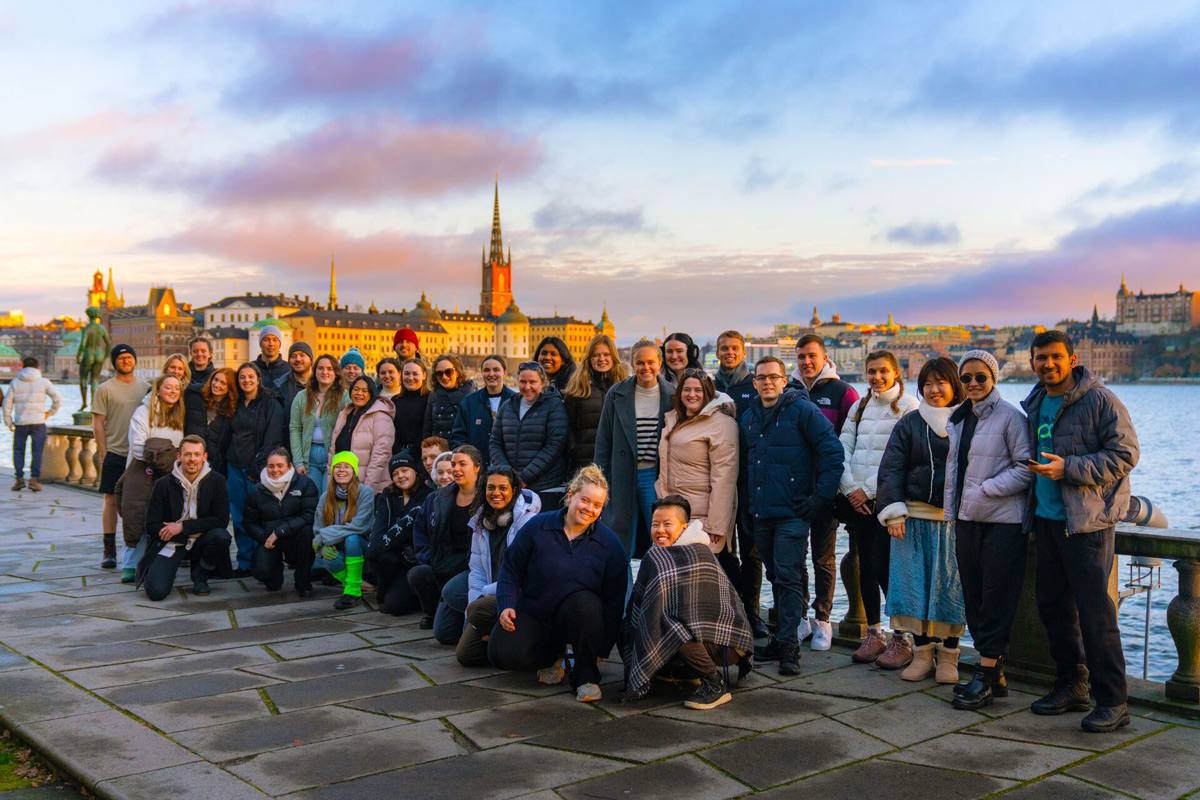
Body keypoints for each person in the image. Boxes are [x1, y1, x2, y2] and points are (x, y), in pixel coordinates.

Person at [1024, 331, 1139, 733]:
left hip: (1087, 524)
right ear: (1032, 362)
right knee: (1052, 608)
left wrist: (1067, 468)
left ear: (1073, 359)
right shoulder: (1036, 400)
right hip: (1047, 519)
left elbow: (1126, 455)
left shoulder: (1100, 399)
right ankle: (1072, 685)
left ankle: (1114, 701)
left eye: (1055, 357)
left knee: (1096, 616)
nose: (1047, 364)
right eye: (1040, 358)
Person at [489, 465, 628, 702]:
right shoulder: (537, 527)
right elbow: (511, 569)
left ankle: (586, 675)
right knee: (502, 654)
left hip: (581, 617)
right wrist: (506, 604)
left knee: (586, 604)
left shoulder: (610, 545)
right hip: (536, 612)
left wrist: (601, 649)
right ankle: (551, 656)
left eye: (597, 505)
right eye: (585, 500)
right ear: (571, 496)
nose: (590, 509)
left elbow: (615, 601)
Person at [742, 356, 844, 675]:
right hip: (761, 512)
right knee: (776, 574)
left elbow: (832, 452)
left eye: (774, 377)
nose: (767, 382)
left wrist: (819, 498)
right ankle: (782, 636)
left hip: (793, 511)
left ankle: (789, 647)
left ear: (784, 381)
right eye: (761, 378)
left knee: (787, 575)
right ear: (755, 383)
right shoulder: (749, 416)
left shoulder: (803, 410)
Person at [945, 349, 1033, 711]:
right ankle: (993, 673)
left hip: (1003, 522)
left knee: (997, 597)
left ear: (994, 378)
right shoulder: (958, 418)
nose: (974, 384)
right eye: (966, 379)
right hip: (966, 520)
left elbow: (1028, 466)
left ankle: (983, 674)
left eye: (981, 377)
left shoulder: (1012, 417)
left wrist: (987, 490)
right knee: (974, 596)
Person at [876, 357, 966, 683]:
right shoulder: (910, 423)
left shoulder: (968, 421)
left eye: (941, 382)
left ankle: (949, 658)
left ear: (954, 385)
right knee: (914, 587)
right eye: (927, 383)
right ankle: (923, 653)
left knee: (950, 590)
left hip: (955, 521)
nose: (933, 389)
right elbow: (890, 469)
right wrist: (893, 512)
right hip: (914, 518)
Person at [621, 495, 753, 710]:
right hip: (700, 636)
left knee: (670, 625)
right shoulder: (655, 554)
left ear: (684, 527)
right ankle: (685, 669)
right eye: (655, 524)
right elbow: (641, 604)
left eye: (668, 524)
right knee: (647, 619)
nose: (660, 530)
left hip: (726, 642)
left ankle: (714, 682)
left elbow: (697, 613)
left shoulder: (698, 552)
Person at [840, 349, 920, 666]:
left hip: (888, 502)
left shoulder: (910, 406)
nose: (877, 377)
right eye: (872, 371)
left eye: (883, 371)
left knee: (891, 569)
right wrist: (850, 489)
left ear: (896, 372)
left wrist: (870, 491)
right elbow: (843, 447)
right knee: (866, 567)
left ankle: (902, 638)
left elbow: (903, 458)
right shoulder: (860, 406)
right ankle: (874, 632)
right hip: (857, 501)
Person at [788, 333, 861, 650]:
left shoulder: (843, 392)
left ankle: (823, 621)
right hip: (793, 488)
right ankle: (800, 618)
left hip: (826, 490)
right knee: (794, 558)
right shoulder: (787, 390)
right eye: (801, 356)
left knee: (823, 558)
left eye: (812, 356)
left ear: (824, 357)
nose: (806, 362)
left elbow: (852, 441)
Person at [594, 340, 673, 562]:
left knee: (662, 539)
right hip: (622, 475)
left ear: (660, 363)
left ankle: (658, 593)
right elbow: (604, 441)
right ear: (632, 364)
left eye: (650, 362)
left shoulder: (673, 395)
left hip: (655, 477)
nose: (645, 368)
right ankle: (622, 594)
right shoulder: (616, 393)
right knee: (619, 543)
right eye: (640, 363)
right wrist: (600, 480)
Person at [455, 467, 542, 666]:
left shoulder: (528, 522)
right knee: (465, 656)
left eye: (503, 488)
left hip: (518, 596)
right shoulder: (480, 522)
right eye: (490, 487)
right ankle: (500, 638)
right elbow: (476, 569)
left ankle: (510, 640)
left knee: (479, 611)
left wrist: (484, 596)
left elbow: (524, 574)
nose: (496, 493)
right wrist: (474, 602)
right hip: (489, 597)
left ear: (514, 490)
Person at [711, 329, 765, 637]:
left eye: (734, 348)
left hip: (748, 479)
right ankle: (725, 609)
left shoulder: (753, 385)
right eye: (723, 348)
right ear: (716, 352)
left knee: (751, 550)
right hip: (718, 479)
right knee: (719, 547)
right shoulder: (710, 386)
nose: (729, 352)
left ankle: (752, 612)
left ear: (742, 352)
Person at [656, 369, 738, 569]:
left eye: (698, 390)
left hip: (703, 520)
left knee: (700, 579)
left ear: (707, 393)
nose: (692, 395)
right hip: (676, 515)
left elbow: (724, 478)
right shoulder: (674, 418)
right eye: (686, 389)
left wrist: (716, 525)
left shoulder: (721, 424)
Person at [137, 435, 232, 600]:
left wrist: (182, 527)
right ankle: (159, 569)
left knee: (221, 536)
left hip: (201, 540)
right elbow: (151, 525)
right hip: (172, 542)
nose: (192, 459)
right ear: (179, 456)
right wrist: (184, 533)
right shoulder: (163, 484)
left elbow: (221, 520)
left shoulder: (217, 481)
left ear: (204, 457)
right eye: (187, 454)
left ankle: (201, 573)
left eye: (197, 454)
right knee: (156, 592)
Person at [409, 445, 483, 637]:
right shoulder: (440, 497)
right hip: (444, 564)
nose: (456, 469)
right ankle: (439, 611)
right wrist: (431, 559)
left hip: (472, 568)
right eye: (453, 464)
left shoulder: (486, 497)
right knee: (444, 634)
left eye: (462, 464)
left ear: (476, 467)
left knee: (452, 592)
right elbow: (422, 532)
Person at [119, 374, 186, 582]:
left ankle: (156, 559)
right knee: (138, 515)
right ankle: (130, 564)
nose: (173, 391)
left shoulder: (179, 415)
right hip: (142, 471)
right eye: (168, 387)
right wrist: (165, 459)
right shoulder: (143, 413)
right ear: (158, 390)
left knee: (164, 517)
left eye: (177, 388)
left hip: (170, 474)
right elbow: (139, 447)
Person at [92, 344, 150, 569]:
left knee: (139, 503)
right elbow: (98, 423)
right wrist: (102, 452)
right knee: (110, 501)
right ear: (114, 362)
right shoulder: (105, 389)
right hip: (115, 453)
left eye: (129, 357)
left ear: (135, 360)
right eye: (121, 358)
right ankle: (109, 550)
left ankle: (140, 548)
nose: (126, 361)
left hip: (139, 455)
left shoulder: (145, 387)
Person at [225, 363, 287, 576]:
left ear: (258, 378)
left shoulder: (270, 402)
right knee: (240, 516)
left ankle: (265, 560)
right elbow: (227, 434)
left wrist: (257, 466)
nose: (246, 381)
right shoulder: (234, 402)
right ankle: (244, 562)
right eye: (242, 377)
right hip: (234, 467)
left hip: (258, 469)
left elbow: (273, 438)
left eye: (250, 376)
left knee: (261, 517)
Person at [490, 361, 570, 511]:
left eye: (532, 382)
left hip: (545, 488)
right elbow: (495, 442)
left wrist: (523, 478)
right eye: (522, 382)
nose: (527, 387)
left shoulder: (554, 406)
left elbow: (554, 446)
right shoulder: (507, 406)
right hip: (512, 487)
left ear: (543, 382)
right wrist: (507, 473)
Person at [244, 447, 319, 597]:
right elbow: (249, 522)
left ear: (290, 466)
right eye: (271, 466)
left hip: (297, 536)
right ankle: (274, 574)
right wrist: (264, 536)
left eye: (280, 466)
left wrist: (280, 532)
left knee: (308, 532)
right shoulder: (257, 490)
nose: (275, 470)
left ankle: (303, 580)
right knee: (260, 572)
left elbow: (309, 515)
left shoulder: (305, 485)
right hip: (270, 538)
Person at [366, 451, 433, 615]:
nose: (400, 476)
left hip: (413, 559)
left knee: (396, 607)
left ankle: (412, 595)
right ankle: (387, 591)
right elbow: (379, 526)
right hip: (393, 555)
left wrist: (379, 546)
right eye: (395, 473)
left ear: (415, 472)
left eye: (405, 470)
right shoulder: (387, 496)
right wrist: (376, 547)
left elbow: (407, 529)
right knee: (379, 556)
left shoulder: (426, 495)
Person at [313, 451, 376, 609]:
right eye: (337, 466)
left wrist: (323, 537)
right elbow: (318, 528)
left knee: (352, 538)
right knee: (328, 556)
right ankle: (353, 582)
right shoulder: (325, 497)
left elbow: (359, 526)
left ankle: (353, 591)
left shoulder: (366, 493)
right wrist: (322, 545)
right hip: (337, 546)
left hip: (363, 548)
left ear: (354, 471)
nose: (341, 470)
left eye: (347, 466)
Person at [563, 334, 626, 473]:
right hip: (584, 462)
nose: (601, 359)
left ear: (613, 357)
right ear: (589, 358)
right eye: (596, 355)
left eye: (606, 354)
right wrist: (575, 451)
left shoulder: (624, 388)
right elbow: (569, 426)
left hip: (616, 462)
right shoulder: (578, 388)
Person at [328, 375, 395, 492]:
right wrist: (330, 484)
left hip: (366, 486)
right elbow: (332, 452)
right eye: (356, 389)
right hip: (342, 485)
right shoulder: (345, 414)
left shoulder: (381, 416)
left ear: (372, 394)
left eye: (364, 391)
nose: (359, 393)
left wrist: (367, 490)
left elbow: (380, 456)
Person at [5, 357, 62, 492]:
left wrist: (8, 421)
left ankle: (19, 479)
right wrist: (50, 412)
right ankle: (34, 480)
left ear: (22, 367)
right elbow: (58, 398)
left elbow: (7, 403)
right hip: (38, 421)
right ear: (38, 368)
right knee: (37, 451)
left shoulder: (15, 382)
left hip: (21, 421)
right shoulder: (44, 382)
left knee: (19, 450)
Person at [289, 354, 345, 491]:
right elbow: (295, 429)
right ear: (315, 372)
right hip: (309, 456)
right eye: (320, 368)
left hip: (332, 457)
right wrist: (298, 461)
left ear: (336, 373)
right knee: (311, 498)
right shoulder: (302, 397)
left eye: (329, 369)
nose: (325, 372)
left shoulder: (345, 397)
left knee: (328, 499)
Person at [451, 354, 515, 454]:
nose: (491, 374)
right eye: (486, 370)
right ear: (482, 373)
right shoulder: (469, 402)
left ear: (505, 373)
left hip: (507, 466)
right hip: (477, 466)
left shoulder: (515, 401)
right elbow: (458, 436)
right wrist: (468, 458)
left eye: (496, 370)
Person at [184, 368, 237, 475]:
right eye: (215, 380)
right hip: (190, 456)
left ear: (230, 388)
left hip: (213, 462)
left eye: (223, 383)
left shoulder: (232, 409)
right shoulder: (194, 395)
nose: (217, 385)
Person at [424, 354, 473, 441]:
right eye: (439, 373)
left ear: (457, 372)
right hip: (438, 450)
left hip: (462, 449)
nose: (444, 377)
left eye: (448, 372)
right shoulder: (433, 396)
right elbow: (428, 428)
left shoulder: (471, 394)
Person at [393, 358, 430, 457]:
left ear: (424, 375)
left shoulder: (430, 399)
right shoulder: (395, 400)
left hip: (421, 455)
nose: (410, 377)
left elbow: (427, 429)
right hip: (398, 454)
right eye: (407, 374)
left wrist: (412, 454)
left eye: (415, 374)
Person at [275, 342, 314, 422]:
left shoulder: (322, 383)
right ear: (289, 361)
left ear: (311, 359)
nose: (298, 359)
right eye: (293, 356)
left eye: (302, 355)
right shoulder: (280, 386)